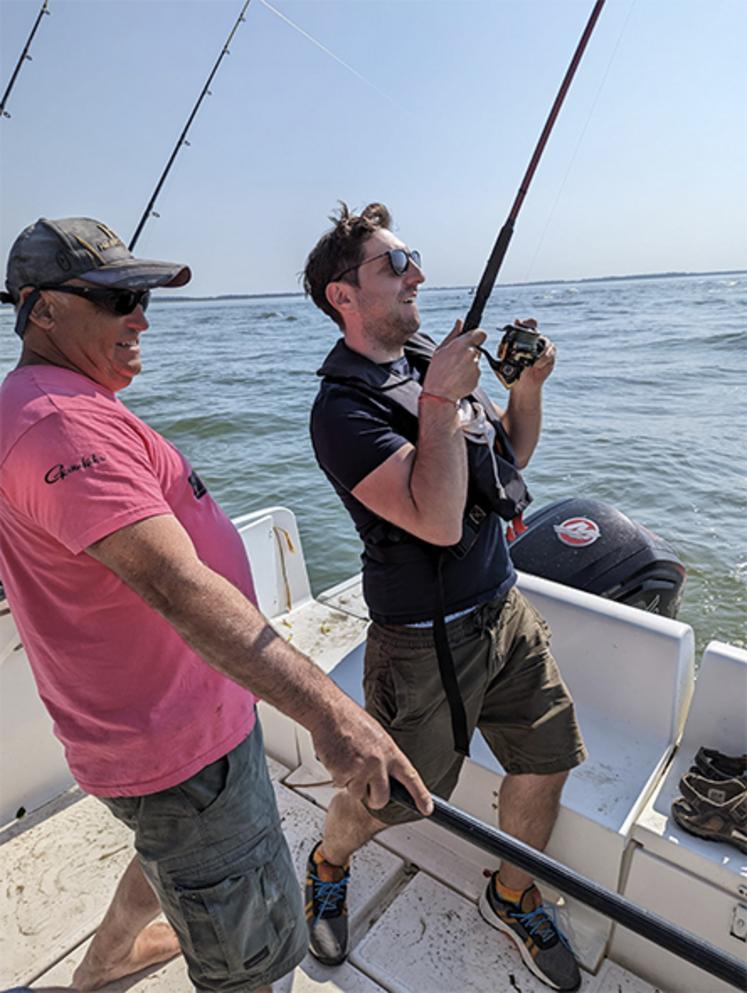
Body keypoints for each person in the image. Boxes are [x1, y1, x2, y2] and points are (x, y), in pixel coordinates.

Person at [0, 217, 432, 993]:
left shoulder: (53, 400)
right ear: (41, 310)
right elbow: (174, 584)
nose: (140, 316)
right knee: (248, 960)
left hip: (165, 737)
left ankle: (104, 962)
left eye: (143, 297)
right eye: (119, 297)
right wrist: (336, 716)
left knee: (174, 850)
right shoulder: (60, 420)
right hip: (176, 749)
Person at [302, 203, 587, 992]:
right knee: (393, 799)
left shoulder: (426, 354)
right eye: (395, 265)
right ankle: (327, 862)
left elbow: (508, 454)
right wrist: (435, 400)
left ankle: (512, 887)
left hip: (504, 607)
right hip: (422, 642)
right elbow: (430, 520)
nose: (417, 275)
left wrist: (524, 386)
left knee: (547, 757)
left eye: (412, 258)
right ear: (342, 297)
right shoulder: (341, 411)